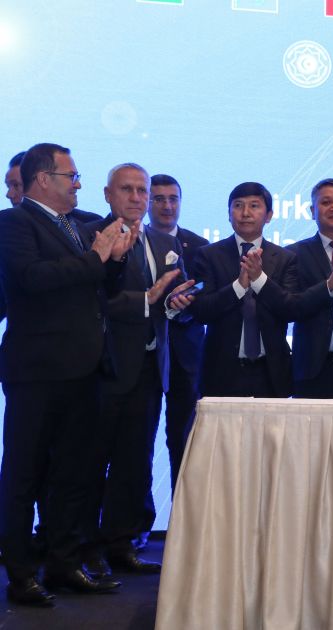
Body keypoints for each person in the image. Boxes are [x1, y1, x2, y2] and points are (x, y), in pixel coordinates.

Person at [0, 143, 132, 605]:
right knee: (25, 475)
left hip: (85, 368)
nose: (78, 184)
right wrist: (97, 257)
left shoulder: (76, 225)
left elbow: (97, 289)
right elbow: (33, 278)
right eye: (70, 176)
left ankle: (63, 563)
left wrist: (115, 260)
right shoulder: (14, 222)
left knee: (74, 475)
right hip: (38, 371)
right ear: (43, 180)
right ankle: (20, 574)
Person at [82, 164, 186, 577]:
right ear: (108, 195)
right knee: (92, 462)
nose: (137, 198)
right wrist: (147, 300)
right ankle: (85, 548)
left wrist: (175, 303)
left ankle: (121, 543)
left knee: (134, 461)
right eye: (127, 189)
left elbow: (165, 300)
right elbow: (95, 300)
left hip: (149, 368)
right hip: (104, 367)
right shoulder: (91, 236)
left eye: (142, 190)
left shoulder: (162, 241)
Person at [176, 182, 298, 398]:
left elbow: (290, 310)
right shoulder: (208, 255)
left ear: (269, 215)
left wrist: (259, 279)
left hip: (270, 372)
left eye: (254, 206)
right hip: (221, 371)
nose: (245, 213)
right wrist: (238, 287)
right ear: (229, 214)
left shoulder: (285, 258)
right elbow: (202, 311)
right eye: (238, 205)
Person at [147, 174, 208, 492]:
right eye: (158, 199)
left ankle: (182, 513)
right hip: (142, 354)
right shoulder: (133, 242)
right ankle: (139, 516)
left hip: (186, 355)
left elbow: (208, 301)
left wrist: (185, 303)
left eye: (173, 199)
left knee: (183, 438)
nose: (167, 206)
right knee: (137, 439)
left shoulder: (199, 247)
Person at [287, 178, 333, 398]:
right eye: (326, 202)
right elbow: (291, 307)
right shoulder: (293, 254)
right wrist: (328, 286)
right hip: (312, 369)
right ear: (312, 211)